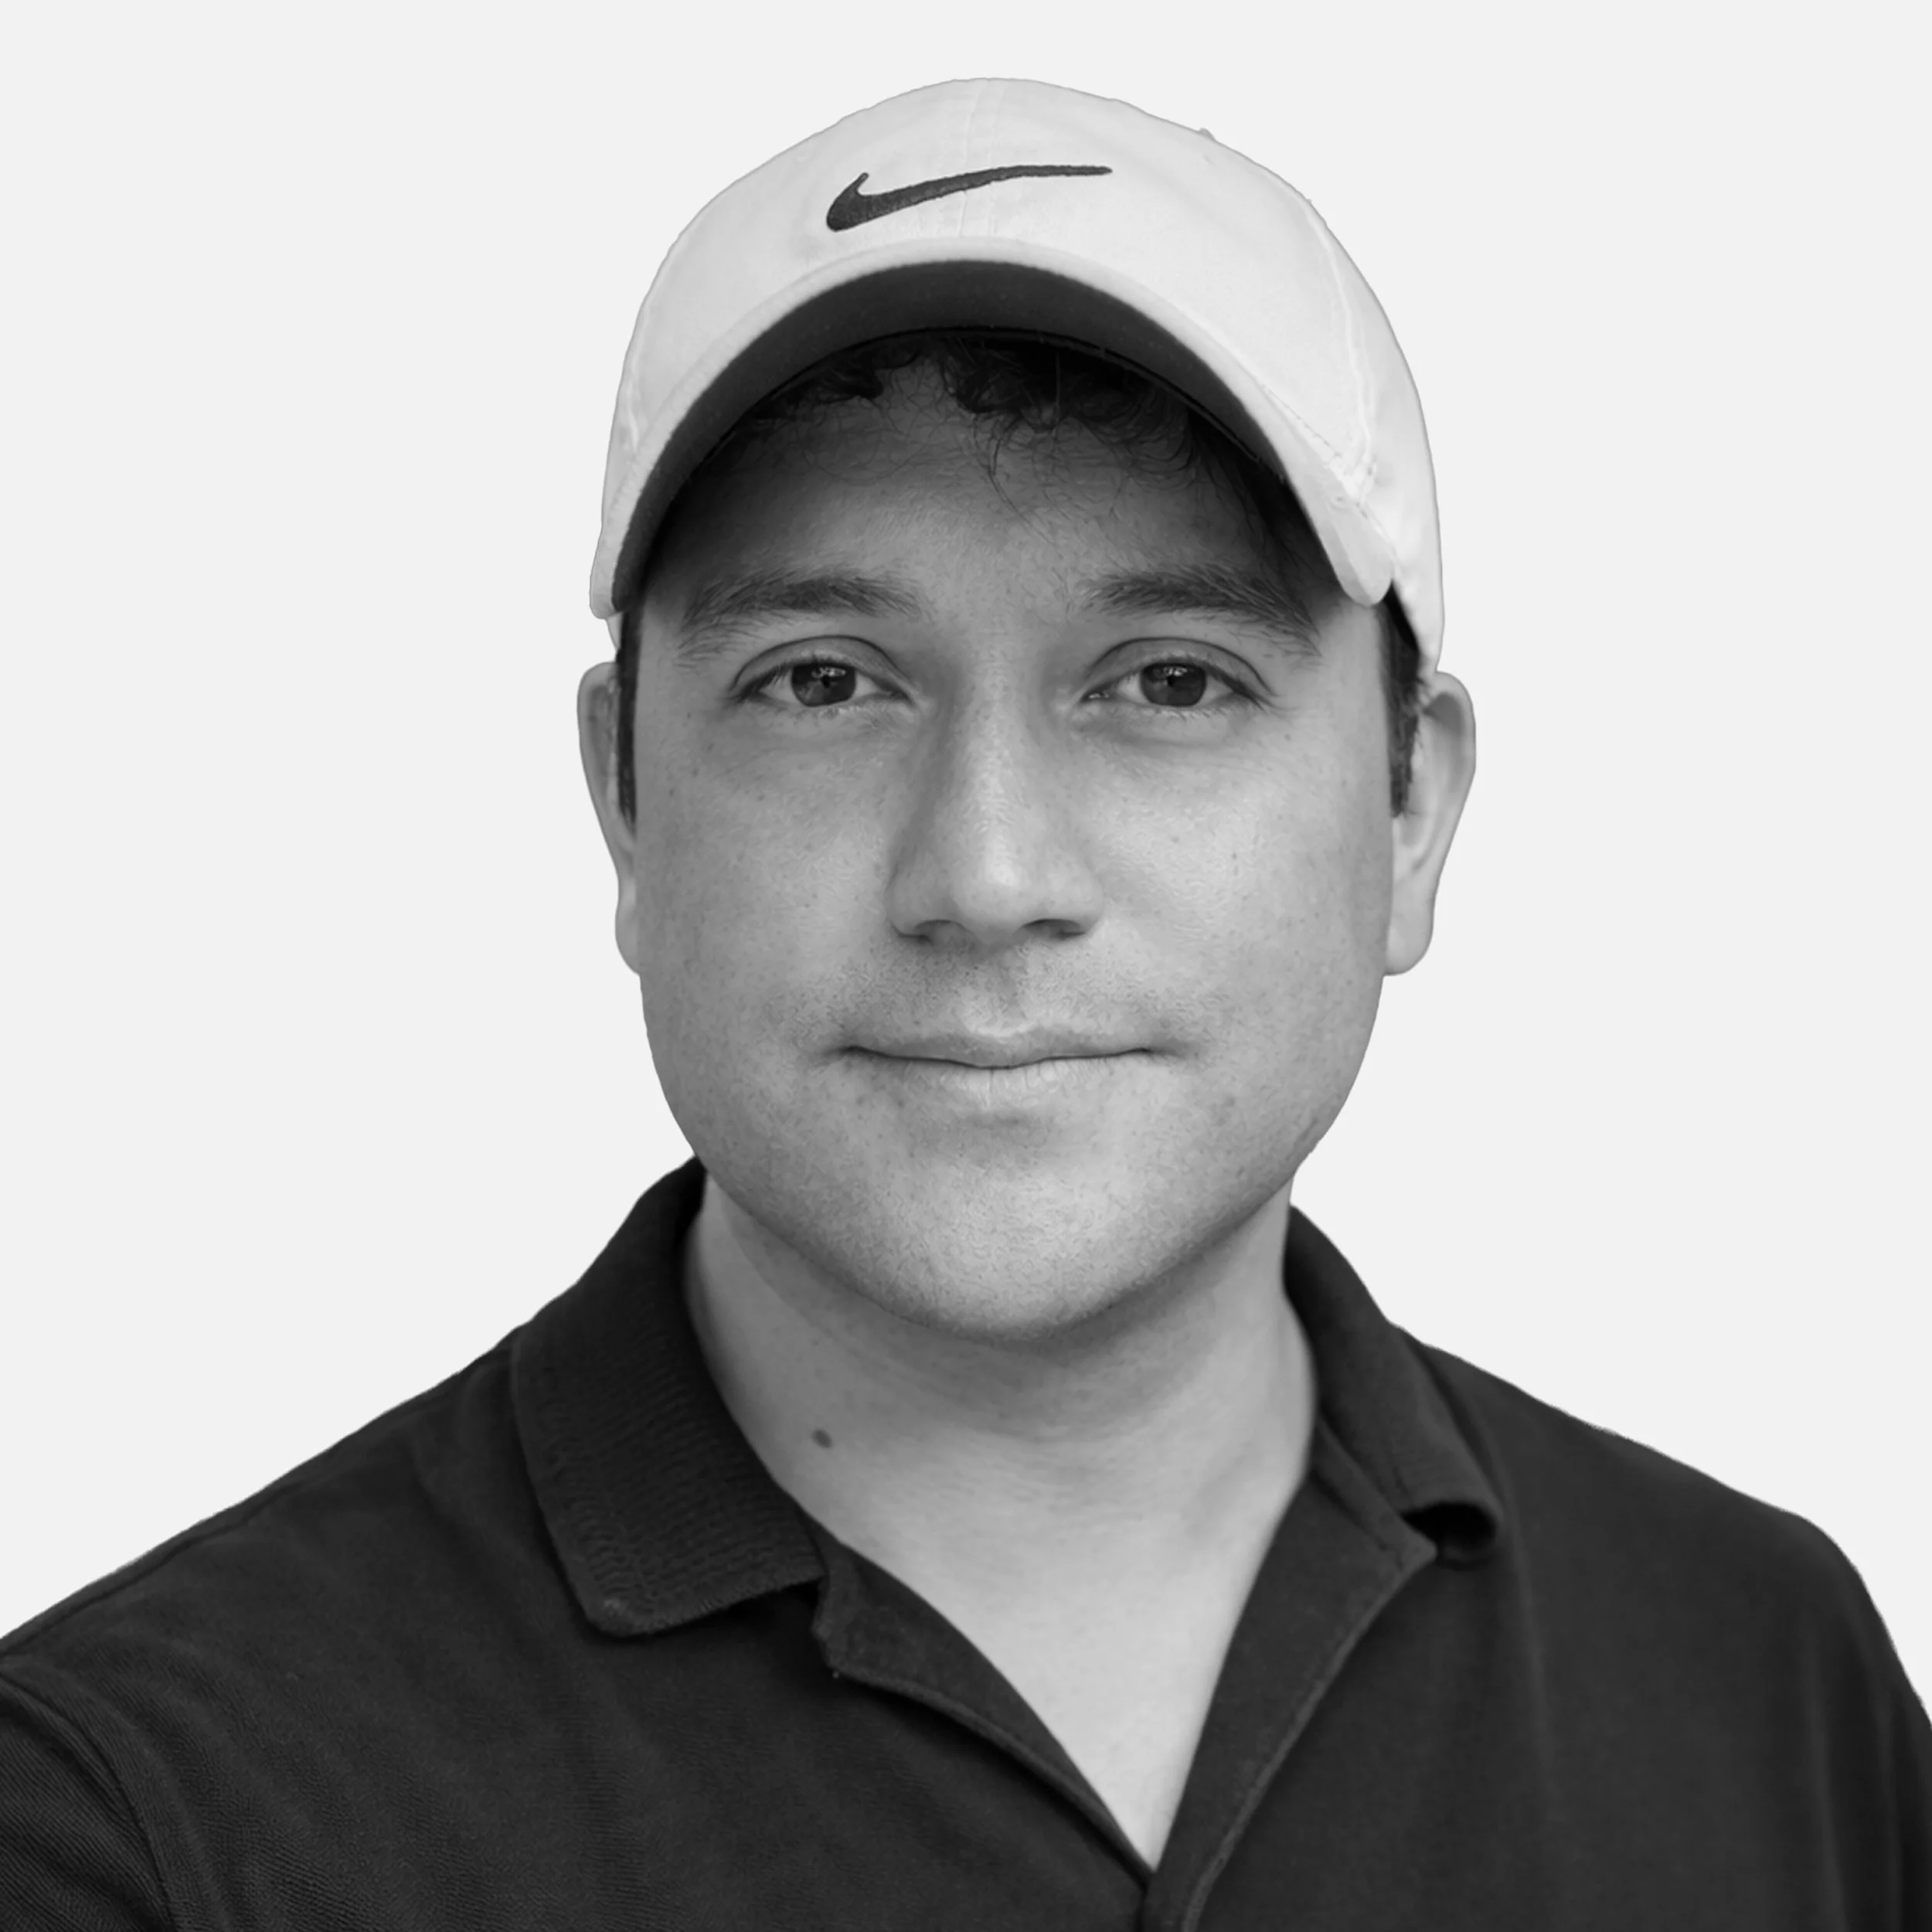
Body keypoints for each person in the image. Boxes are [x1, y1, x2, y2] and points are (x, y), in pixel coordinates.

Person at [2, 75, 1924, 1929]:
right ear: (624, 800)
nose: (987, 876)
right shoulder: (139, 1816)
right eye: (825, 681)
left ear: (1410, 804)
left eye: (1168, 681)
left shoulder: (1768, 1675)